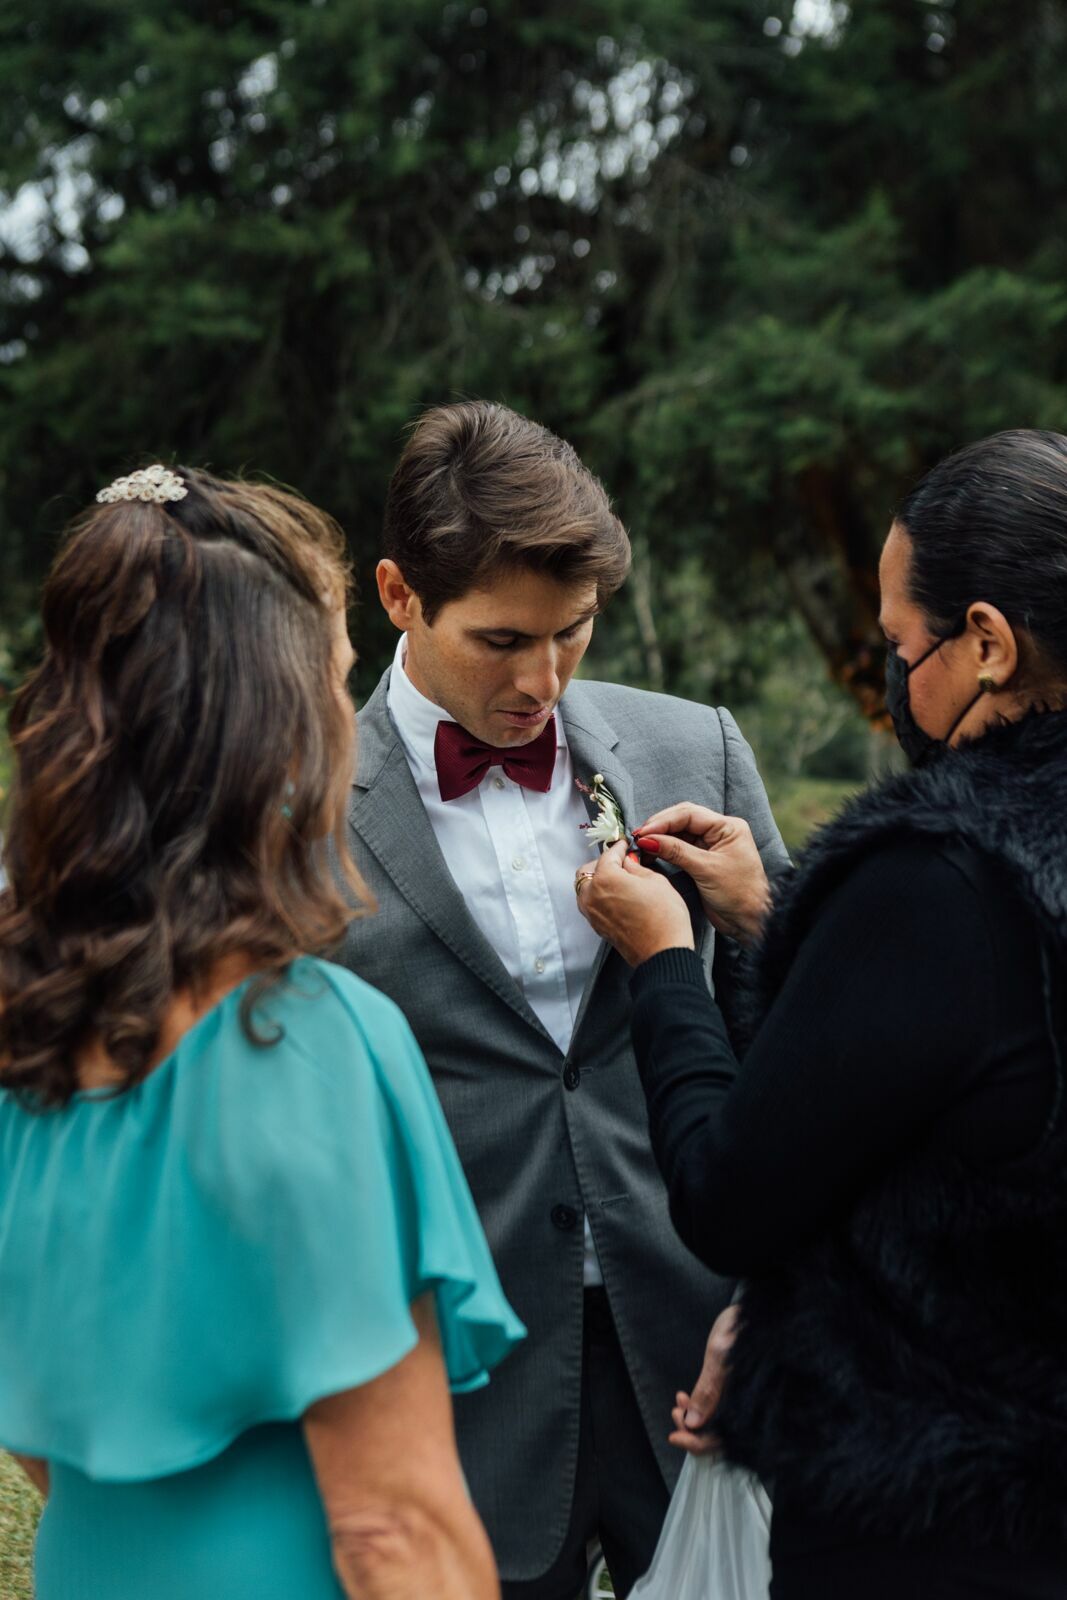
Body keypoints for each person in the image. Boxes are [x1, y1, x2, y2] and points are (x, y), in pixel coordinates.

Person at [0, 464, 524, 1600]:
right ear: (272, 731)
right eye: (337, 680)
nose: (349, 716)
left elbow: (44, 1432)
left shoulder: (21, 1040)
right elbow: (396, 1533)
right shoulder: (313, 1048)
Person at [577, 427, 1067, 1598]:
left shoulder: (930, 874)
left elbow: (727, 1196)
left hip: (940, 1521)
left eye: (900, 643)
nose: (894, 672)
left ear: (986, 643)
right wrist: (778, 919)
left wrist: (663, 967)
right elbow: (980, 1047)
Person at [337, 401, 790, 1599]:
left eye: (572, 634)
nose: (541, 680)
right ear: (395, 595)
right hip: (449, 1370)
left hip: (694, 1347)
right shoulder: (297, 794)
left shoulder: (696, 747)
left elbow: (802, 1045)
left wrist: (755, 923)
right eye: (499, 642)